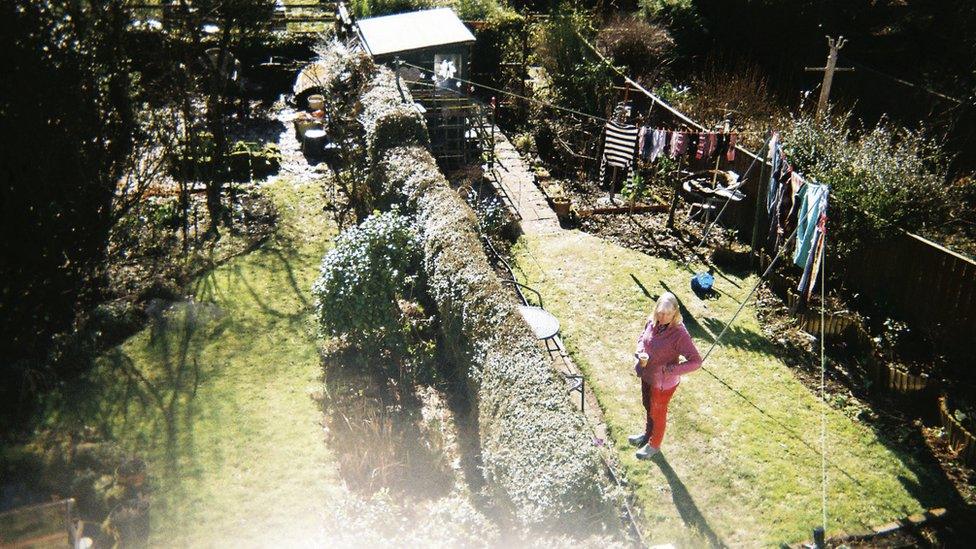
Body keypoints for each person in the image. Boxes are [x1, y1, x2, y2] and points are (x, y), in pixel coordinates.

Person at [630, 292, 702, 459]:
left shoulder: (679, 334)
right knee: (647, 405)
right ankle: (647, 435)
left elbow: (696, 361)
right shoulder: (652, 321)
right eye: (660, 312)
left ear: (675, 313)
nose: (662, 317)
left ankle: (654, 445)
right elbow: (642, 338)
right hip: (647, 373)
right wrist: (640, 351)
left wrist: (671, 369)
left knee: (658, 412)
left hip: (663, 383)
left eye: (667, 313)